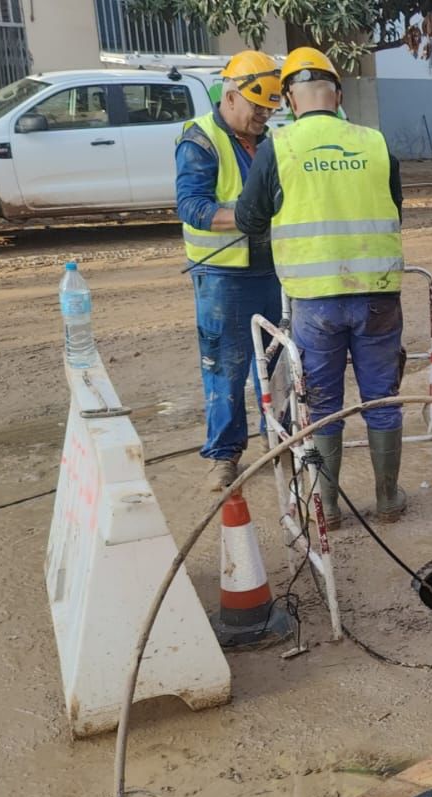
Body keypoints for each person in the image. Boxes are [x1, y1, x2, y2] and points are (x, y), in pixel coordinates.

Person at [236, 47, 408, 528]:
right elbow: (395, 210)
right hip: (378, 296)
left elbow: (250, 220)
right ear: (338, 95)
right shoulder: (375, 143)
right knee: (381, 397)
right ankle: (389, 499)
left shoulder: (279, 148)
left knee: (323, 403)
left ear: (290, 99)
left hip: (315, 302)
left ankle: (328, 509)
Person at [176, 50, 283, 491]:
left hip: (273, 270)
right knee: (226, 367)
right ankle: (224, 455)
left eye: (269, 109)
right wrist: (245, 216)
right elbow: (192, 206)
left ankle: (277, 440)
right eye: (256, 107)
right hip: (224, 276)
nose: (262, 116)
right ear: (232, 96)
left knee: (277, 365)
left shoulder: (270, 140)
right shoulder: (200, 139)